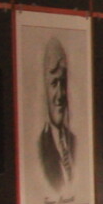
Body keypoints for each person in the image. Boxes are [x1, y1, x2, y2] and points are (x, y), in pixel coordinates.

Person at [36, 36, 79, 192]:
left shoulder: (73, 141)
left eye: (63, 82)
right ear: (45, 89)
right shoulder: (40, 147)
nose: (60, 95)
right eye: (54, 83)